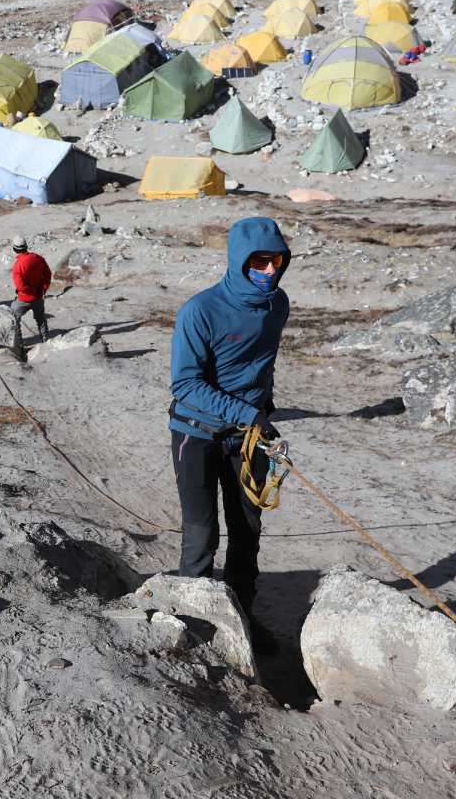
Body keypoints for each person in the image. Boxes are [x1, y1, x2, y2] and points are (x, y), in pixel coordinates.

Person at [168, 217, 291, 632]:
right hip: (195, 432)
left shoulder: (278, 305)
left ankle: (242, 618)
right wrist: (248, 413)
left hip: (249, 435)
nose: (270, 270)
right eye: (260, 262)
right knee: (201, 534)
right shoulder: (199, 310)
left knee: (246, 532)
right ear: (240, 261)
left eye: (277, 260)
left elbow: (262, 362)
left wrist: (263, 407)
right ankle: (194, 620)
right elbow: (185, 384)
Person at [9, 236, 50, 343]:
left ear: (14, 249)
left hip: (24, 299)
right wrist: (43, 289)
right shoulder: (37, 257)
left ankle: (20, 345)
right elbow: (47, 274)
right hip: (38, 297)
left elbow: (20, 287)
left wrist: (34, 291)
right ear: (26, 246)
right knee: (41, 318)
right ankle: (45, 340)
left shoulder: (17, 265)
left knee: (13, 318)